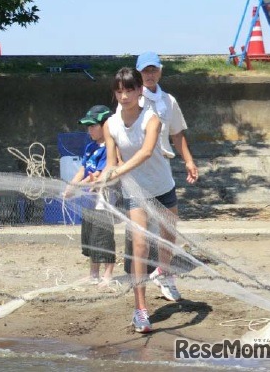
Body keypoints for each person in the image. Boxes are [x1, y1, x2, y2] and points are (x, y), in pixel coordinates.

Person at [100, 67, 179, 334]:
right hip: (136, 192)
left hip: (162, 186)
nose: (124, 96)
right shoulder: (110, 125)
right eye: (119, 91)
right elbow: (111, 163)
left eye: (129, 90)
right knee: (141, 247)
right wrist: (99, 180)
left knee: (168, 238)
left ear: (139, 91)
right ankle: (140, 309)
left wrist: (119, 171)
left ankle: (163, 272)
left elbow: (146, 152)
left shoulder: (152, 118)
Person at [134, 51, 198, 301]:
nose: (149, 75)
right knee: (138, 235)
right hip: (137, 171)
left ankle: (164, 271)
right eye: (145, 71)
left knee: (168, 226)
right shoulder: (132, 99)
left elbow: (177, 133)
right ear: (139, 72)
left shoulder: (168, 101)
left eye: (153, 70)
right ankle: (137, 288)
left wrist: (189, 161)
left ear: (160, 71)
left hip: (162, 169)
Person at [63, 105, 116, 287]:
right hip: (89, 196)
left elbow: (99, 176)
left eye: (93, 126)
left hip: (104, 197)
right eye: (88, 126)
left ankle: (108, 274)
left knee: (103, 234)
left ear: (105, 125)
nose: (89, 130)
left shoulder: (110, 148)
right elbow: (83, 169)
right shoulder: (90, 147)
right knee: (90, 233)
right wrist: (71, 186)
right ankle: (93, 273)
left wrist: (80, 184)